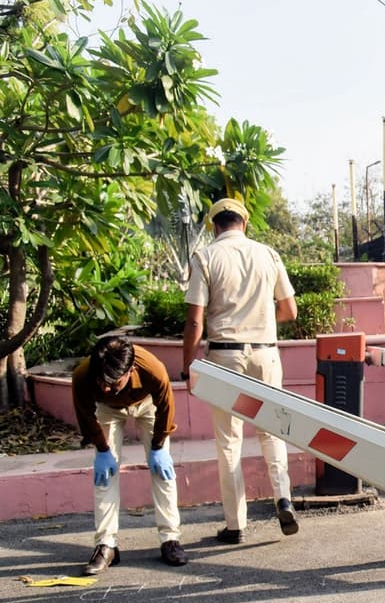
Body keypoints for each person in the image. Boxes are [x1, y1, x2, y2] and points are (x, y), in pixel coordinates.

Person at [182, 197, 299, 544]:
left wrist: (188, 363)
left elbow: (194, 321)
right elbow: (289, 310)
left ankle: (236, 524)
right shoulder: (268, 254)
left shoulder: (205, 257)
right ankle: (283, 497)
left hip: (224, 357)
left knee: (229, 440)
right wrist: (260, 324)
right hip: (265, 354)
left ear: (215, 226)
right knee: (271, 431)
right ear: (244, 223)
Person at [73, 336, 186, 574]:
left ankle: (170, 539)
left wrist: (158, 446)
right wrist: (103, 450)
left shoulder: (152, 369)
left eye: (113, 383)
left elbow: (166, 407)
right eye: (102, 381)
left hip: (147, 405)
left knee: (163, 472)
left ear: (131, 370)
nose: (106, 388)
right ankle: (106, 545)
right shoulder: (83, 375)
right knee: (104, 476)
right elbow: (85, 416)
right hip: (108, 410)